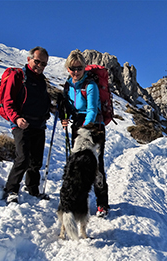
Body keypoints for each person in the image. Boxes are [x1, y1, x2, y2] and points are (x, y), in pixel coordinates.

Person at [59, 49, 110, 217]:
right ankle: (78, 200)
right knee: (76, 164)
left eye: (79, 68)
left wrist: (85, 130)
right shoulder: (68, 84)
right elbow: (68, 106)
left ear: (84, 68)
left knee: (96, 165)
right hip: (78, 124)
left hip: (94, 127)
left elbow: (92, 109)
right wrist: (64, 117)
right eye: (72, 69)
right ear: (68, 68)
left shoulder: (91, 85)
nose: (75, 72)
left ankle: (102, 203)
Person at [2, 46, 52, 204]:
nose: (40, 66)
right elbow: (7, 102)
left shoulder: (42, 81)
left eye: (43, 64)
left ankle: (33, 189)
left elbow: (42, 102)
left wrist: (51, 109)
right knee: (23, 158)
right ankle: (11, 189)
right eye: (37, 62)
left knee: (36, 161)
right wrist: (16, 119)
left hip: (39, 125)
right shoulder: (18, 76)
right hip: (21, 123)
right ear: (28, 59)